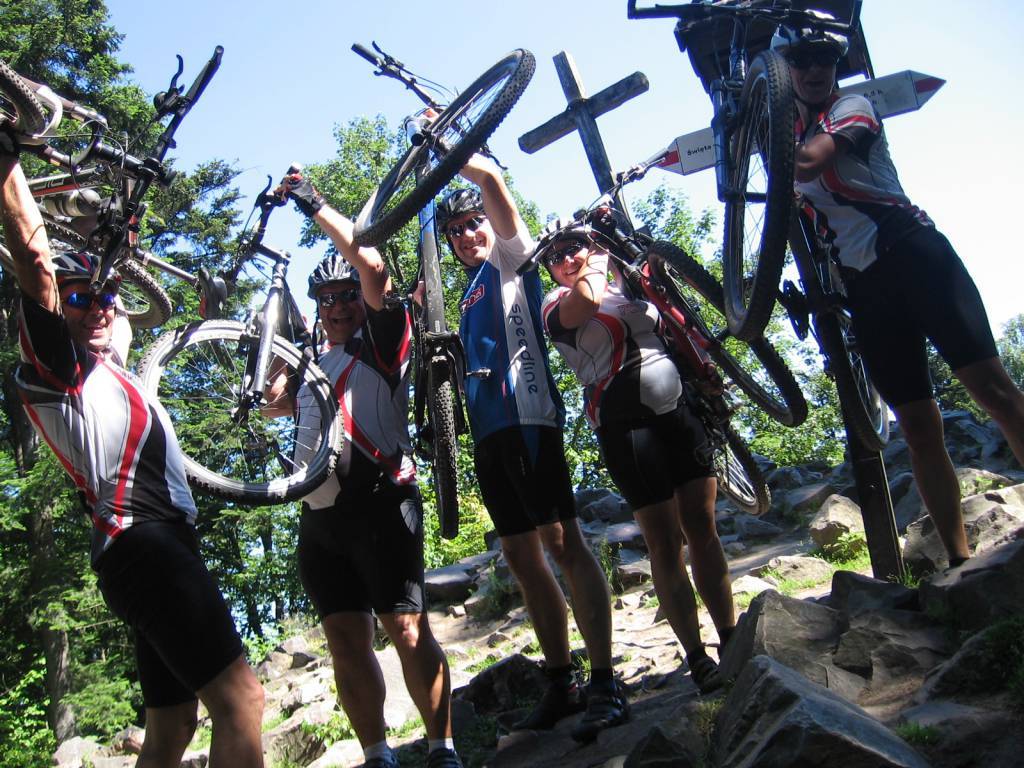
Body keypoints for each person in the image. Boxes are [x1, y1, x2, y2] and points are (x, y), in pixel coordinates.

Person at [1, 144, 265, 764]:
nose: (95, 307)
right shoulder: (58, 368)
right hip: (144, 541)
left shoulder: (107, 364)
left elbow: (115, 299)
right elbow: (36, 262)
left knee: (173, 725)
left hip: (144, 549)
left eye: (102, 297)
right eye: (76, 299)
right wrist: (8, 164)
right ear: (53, 310)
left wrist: (121, 228)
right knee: (243, 702)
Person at [773, 13, 1024, 568]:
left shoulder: (853, 107)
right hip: (866, 288)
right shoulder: (787, 132)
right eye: (800, 61)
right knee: (917, 428)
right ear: (784, 70)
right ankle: (958, 561)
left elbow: (810, 164)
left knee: (994, 391)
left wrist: (763, 135)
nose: (814, 69)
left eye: (825, 59)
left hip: (915, 255)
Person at [436, 154, 627, 743]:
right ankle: (561, 681)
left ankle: (604, 681)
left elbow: (493, 184)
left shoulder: (511, 259)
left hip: (528, 419)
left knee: (564, 543)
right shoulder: (466, 292)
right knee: (521, 558)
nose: (468, 235)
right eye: (456, 231)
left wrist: (453, 150)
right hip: (488, 434)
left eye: (474, 222)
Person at [273, 172, 461, 768]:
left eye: (346, 294)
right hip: (320, 518)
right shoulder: (309, 360)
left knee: (406, 630)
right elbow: (270, 402)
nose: (336, 306)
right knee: (345, 642)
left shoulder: (383, 338)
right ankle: (378, 754)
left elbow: (374, 268)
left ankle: (442, 748)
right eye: (325, 298)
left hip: (383, 503)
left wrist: (315, 205)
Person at [537, 219, 735, 694]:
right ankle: (696, 656)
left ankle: (731, 637)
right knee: (664, 541)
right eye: (556, 257)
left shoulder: (624, 284)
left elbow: (673, 324)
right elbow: (586, 302)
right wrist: (595, 258)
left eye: (574, 247)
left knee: (702, 526)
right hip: (625, 426)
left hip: (679, 410)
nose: (567, 259)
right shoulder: (554, 304)